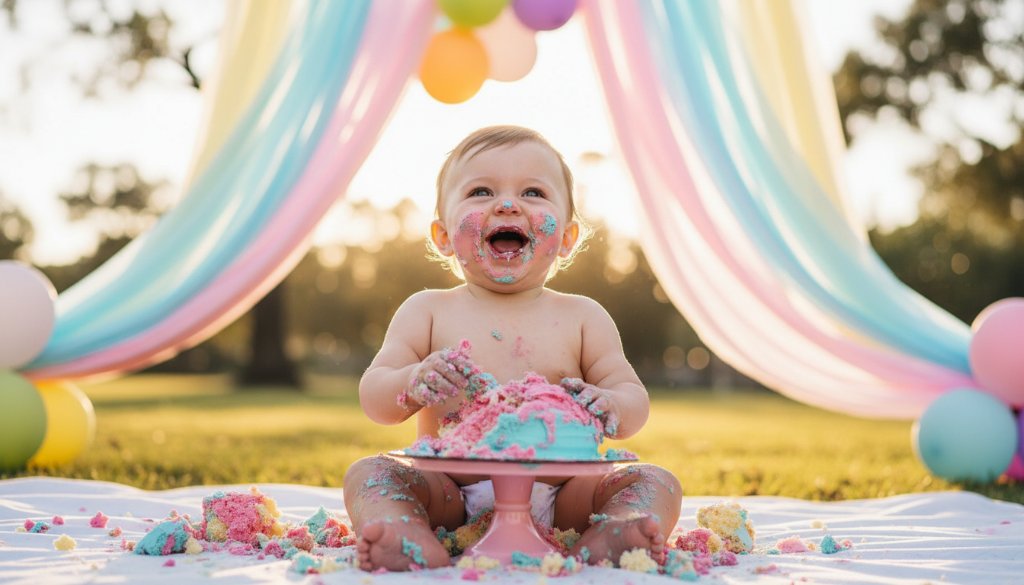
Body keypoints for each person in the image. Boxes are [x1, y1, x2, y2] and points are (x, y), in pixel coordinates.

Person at [343, 125, 681, 571]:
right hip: (448, 495)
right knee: (370, 473)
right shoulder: (427, 310)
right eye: (481, 191)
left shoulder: (584, 317)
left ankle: (618, 529)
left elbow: (632, 396)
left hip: (564, 497)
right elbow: (375, 398)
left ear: (567, 238)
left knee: (655, 481)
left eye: (533, 192)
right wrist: (412, 381)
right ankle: (401, 529)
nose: (507, 204)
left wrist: (611, 404)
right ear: (442, 235)